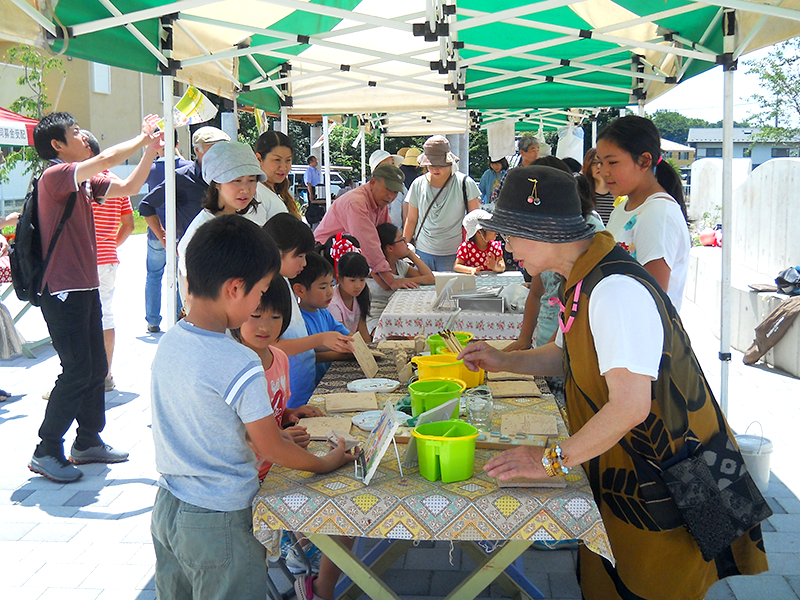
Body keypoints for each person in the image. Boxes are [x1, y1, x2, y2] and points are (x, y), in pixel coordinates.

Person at [459, 165, 768, 600]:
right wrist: (503, 361)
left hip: (668, 477)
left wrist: (550, 461)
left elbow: (629, 406)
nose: (505, 248)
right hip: (634, 466)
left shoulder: (614, 290)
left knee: (655, 584)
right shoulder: (587, 278)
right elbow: (574, 357)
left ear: (545, 230)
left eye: (510, 234)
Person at [150, 214, 357, 600]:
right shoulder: (238, 360)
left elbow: (204, 423)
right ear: (234, 288)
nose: (262, 303)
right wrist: (326, 462)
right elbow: (271, 449)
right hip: (220, 519)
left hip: (168, 506)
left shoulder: (171, 340)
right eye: (261, 292)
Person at [28, 111, 163, 483]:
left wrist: (149, 151)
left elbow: (130, 187)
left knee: (94, 369)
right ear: (57, 145)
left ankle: (87, 441)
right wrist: (140, 138)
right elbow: (106, 159)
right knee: (76, 370)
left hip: (85, 285)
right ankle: (46, 449)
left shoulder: (83, 182)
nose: (84, 138)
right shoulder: (56, 176)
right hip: (63, 289)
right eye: (75, 133)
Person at [230, 276, 322, 480]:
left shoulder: (279, 358)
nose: (265, 327)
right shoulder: (234, 367)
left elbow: (274, 411)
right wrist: (279, 439)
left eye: (275, 317)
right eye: (255, 315)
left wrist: (290, 413)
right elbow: (234, 431)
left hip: (275, 466)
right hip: (247, 476)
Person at [138, 126, 227, 333]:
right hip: (192, 258)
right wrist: (163, 236)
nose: (220, 155)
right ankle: (158, 322)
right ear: (198, 150)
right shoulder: (182, 177)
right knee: (193, 315)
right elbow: (146, 205)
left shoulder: (228, 176)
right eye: (214, 149)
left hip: (224, 255)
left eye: (223, 149)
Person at [598, 115, 691, 310]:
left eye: (612, 162)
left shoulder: (658, 213)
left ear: (644, 161)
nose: (604, 172)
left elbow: (651, 298)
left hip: (641, 336)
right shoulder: (623, 208)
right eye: (601, 163)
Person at [264, 213, 353, 409]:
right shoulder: (267, 290)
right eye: (300, 256)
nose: (304, 264)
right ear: (278, 253)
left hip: (302, 386)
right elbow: (272, 346)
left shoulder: (283, 283)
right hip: (288, 392)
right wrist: (320, 339)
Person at [177, 141, 267, 302]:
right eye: (236, 180)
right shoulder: (201, 232)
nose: (245, 189)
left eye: (252, 180)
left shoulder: (244, 223)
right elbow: (191, 295)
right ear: (216, 183)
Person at [84, 130, 135, 393]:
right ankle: (106, 374)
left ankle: (80, 377)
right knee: (106, 316)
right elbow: (129, 224)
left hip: (85, 261)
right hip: (108, 259)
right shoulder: (115, 182)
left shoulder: (85, 183)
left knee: (81, 318)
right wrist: (109, 245)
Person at [313, 163, 411, 292]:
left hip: (348, 263)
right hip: (325, 261)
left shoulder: (380, 203)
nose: (391, 196)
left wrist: (403, 254)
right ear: (373, 183)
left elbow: (388, 235)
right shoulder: (356, 203)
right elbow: (369, 244)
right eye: (388, 189)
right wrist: (391, 280)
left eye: (395, 192)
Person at [402, 135, 480, 271]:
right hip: (422, 252)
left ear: (450, 163)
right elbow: (411, 219)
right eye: (431, 165)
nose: (435, 169)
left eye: (441, 165)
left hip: (456, 254)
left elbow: (474, 222)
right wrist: (403, 249)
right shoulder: (418, 184)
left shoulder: (465, 183)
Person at [290, 252, 353, 386]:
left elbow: (345, 334)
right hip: (309, 385)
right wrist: (343, 355)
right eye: (323, 287)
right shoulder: (298, 322)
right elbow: (310, 356)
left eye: (331, 284)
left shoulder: (324, 313)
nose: (330, 291)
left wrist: (355, 344)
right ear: (300, 290)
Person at [367, 222, 434, 333]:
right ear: (389, 248)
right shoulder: (375, 269)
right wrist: (399, 282)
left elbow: (430, 278)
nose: (406, 243)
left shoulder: (400, 265)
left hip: (397, 315)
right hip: (376, 318)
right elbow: (389, 286)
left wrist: (411, 255)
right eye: (402, 240)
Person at [254, 130, 303, 220]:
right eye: (277, 160)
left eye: (288, 160)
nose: (283, 167)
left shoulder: (276, 191)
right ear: (259, 159)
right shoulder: (255, 193)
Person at [328, 251, 371, 341]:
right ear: (339, 278)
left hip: (354, 343)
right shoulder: (333, 302)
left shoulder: (361, 294)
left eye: (362, 280)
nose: (358, 285)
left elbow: (363, 331)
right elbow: (342, 336)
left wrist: (369, 350)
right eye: (352, 280)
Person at [489, 135, 539, 204]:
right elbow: (496, 194)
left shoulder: (542, 172)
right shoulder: (512, 173)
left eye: (538, 150)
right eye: (533, 151)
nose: (536, 154)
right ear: (522, 152)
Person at [454, 209, 505, 274]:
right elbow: (457, 266)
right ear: (479, 231)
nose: (495, 229)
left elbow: (502, 266)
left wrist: (495, 267)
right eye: (490, 227)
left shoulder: (495, 247)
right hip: (471, 283)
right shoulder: (466, 247)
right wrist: (471, 270)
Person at [369, 149, 404, 228]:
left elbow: (407, 214)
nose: (391, 167)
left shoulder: (402, 187)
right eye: (387, 164)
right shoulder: (368, 191)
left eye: (392, 163)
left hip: (396, 236)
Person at [582, 147, 615, 225]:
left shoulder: (619, 193)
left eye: (601, 162)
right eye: (594, 163)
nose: (598, 166)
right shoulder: (583, 194)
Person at [304, 155, 325, 227]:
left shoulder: (316, 170)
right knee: (313, 206)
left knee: (318, 205)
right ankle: (312, 222)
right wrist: (310, 194)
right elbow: (308, 183)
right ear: (311, 162)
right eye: (315, 161)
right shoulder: (309, 171)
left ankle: (318, 220)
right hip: (312, 188)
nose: (317, 162)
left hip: (318, 188)